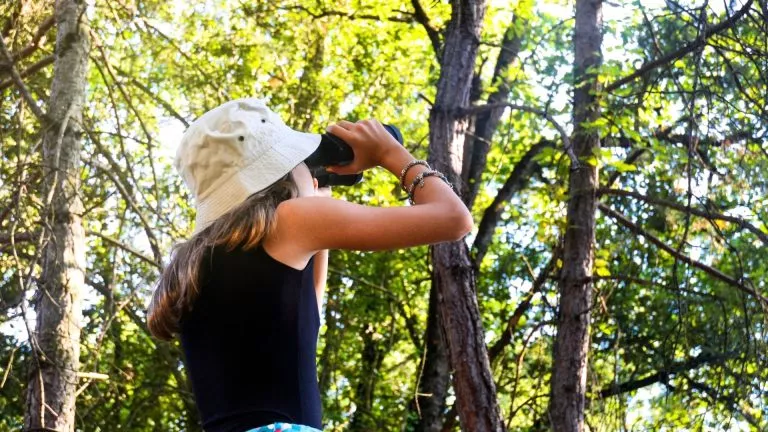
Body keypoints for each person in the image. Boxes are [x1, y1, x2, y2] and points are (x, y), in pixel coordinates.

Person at [147, 98, 472, 432]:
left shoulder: (194, 263)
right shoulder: (288, 221)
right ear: (282, 172)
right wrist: (391, 153)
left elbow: (303, 323)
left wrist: (320, 190)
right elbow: (454, 219)